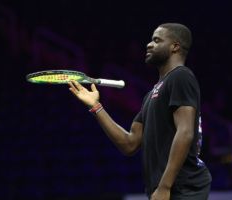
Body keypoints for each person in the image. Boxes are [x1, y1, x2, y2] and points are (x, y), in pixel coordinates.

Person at [68, 23, 212, 200]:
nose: (149, 44)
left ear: (175, 46)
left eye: (156, 40)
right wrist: (96, 107)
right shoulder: (151, 95)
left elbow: (185, 132)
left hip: (183, 188)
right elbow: (129, 144)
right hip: (166, 189)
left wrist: (165, 186)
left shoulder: (181, 76)